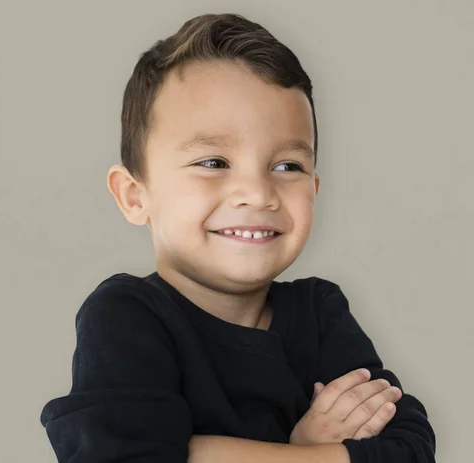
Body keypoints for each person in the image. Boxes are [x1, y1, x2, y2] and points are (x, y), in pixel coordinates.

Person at [39, 13, 436, 463]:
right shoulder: (126, 316)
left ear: (315, 189)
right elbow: (123, 454)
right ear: (134, 196)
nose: (257, 193)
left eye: (288, 166)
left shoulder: (320, 314)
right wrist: (304, 451)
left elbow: (410, 449)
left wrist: (195, 451)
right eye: (213, 162)